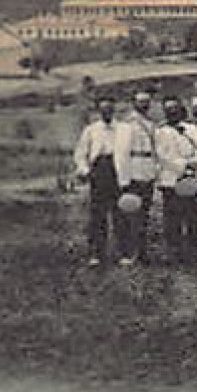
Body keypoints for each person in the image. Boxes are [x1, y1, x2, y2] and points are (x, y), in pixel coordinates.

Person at [112, 90, 160, 266]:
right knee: (129, 215)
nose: (144, 105)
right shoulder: (126, 125)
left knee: (143, 216)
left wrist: (155, 172)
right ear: (133, 103)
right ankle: (128, 252)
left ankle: (141, 252)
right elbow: (120, 153)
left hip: (147, 171)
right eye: (140, 101)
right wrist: (124, 180)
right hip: (132, 172)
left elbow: (155, 152)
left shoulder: (150, 124)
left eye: (146, 101)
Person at [72, 95, 121, 266]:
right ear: (99, 111)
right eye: (103, 109)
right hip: (99, 172)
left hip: (118, 171)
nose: (106, 112)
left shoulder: (122, 129)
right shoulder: (91, 130)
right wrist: (85, 170)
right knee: (98, 215)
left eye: (109, 109)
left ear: (114, 110)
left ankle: (122, 253)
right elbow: (80, 153)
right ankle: (96, 253)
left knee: (120, 214)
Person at [154, 97, 197, 264]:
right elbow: (162, 156)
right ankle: (173, 252)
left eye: (175, 108)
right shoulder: (160, 132)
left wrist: (193, 165)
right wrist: (182, 166)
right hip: (171, 179)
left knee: (193, 216)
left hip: (192, 178)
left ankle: (193, 251)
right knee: (172, 218)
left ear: (181, 110)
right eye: (168, 109)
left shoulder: (192, 129)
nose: (172, 112)